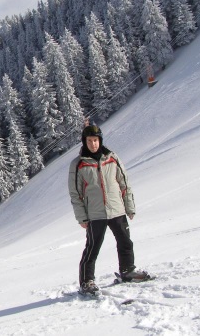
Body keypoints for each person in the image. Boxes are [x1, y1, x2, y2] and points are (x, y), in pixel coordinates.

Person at [68, 124, 149, 295]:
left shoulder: (112, 158)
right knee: (92, 247)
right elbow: (75, 193)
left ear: (100, 141)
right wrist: (82, 217)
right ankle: (87, 281)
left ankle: (127, 271)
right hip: (95, 213)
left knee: (125, 242)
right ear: (85, 142)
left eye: (95, 140)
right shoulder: (79, 164)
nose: (93, 144)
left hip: (116, 209)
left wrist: (129, 206)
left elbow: (124, 183)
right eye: (89, 141)